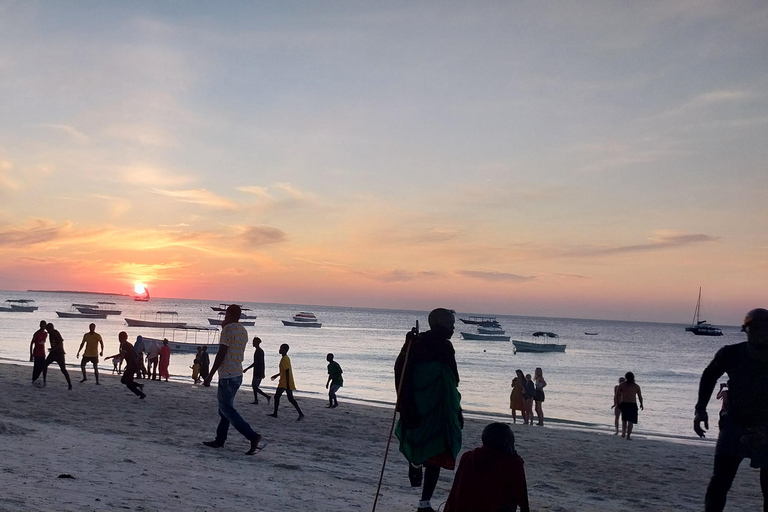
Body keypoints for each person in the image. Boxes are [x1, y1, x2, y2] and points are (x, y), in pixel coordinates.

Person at [694, 308, 768, 512]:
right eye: (755, 328)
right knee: (719, 483)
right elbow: (709, 376)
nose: (761, 333)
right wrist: (700, 409)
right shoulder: (731, 354)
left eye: (766, 328)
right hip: (735, 426)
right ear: (745, 329)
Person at [394, 308, 462, 512]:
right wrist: (405, 406)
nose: (453, 327)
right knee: (422, 447)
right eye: (450, 324)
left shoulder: (445, 347)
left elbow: (453, 380)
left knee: (438, 453)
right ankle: (415, 465)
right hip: (421, 406)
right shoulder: (416, 343)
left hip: (442, 408)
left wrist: (456, 410)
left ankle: (425, 502)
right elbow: (401, 373)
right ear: (439, 324)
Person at [202, 304, 263, 455]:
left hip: (227, 376)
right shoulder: (243, 331)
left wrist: (210, 374)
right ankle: (219, 440)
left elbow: (221, 353)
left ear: (228, 314)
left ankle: (252, 436)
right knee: (224, 410)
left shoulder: (228, 330)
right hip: (237, 374)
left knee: (227, 410)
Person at [444, 423, 530, 512]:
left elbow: (455, 490)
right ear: (505, 444)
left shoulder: (468, 456)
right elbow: (522, 497)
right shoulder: (512, 462)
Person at [268, 344, 305, 421]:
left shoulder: (285, 359)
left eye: (281, 348)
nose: (279, 350)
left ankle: (276, 413)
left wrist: (288, 384)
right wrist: (277, 375)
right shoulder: (285, 358)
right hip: (285, 381)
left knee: (280, 397)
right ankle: (300, 414)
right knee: (288, 398)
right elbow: (284, 370)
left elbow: (287, 371)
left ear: (284, 350)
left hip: (285, 382)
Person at [106, 332, 145, 399]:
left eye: (120, 338)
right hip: (131, 365)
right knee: (123, 381)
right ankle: (139, 385)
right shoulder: (126, 345)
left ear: (124, 338)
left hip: (132, 366)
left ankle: (141, 394)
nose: (119, 339)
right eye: (119, 337)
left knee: (128, 384)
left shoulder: (126, 345)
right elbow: (134, 355)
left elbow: (123, 355)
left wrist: (110, 357)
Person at [42, 323, 72, 390]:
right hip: (53, 353)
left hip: (59, 354)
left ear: (51, 328)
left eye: (48, 330)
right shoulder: (50, 334)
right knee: (44, 365)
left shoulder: (56, 333)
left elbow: (60, 344)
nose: (47, 331)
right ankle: (44, 382)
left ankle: (70, 384)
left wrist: (53, 349)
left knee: (63, 369)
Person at [243, 337, 270, 405]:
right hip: (258, 371)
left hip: (258, 371)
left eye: (253, 342)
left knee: (255, 386)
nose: (252, 343)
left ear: (257, 343)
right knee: (254, 386)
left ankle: (266, 396)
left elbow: (256, 362)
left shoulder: (259, 351)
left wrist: (247, 369)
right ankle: (256, 400)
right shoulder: (259, 351)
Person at [617, 371, 643, 440]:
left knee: (624, 419)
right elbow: (640, 396)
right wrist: (641, 404)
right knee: (630, 421)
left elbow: (617, 395)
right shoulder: (636, 386)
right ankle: (628, 436)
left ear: (626, 377)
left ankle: (623, 433)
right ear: (633, 377)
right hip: (632, 404)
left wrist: (618, 403)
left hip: (624, 403)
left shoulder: (622, 385)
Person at [30, 320, 48, 385]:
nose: (44, 326)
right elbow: (31, 343)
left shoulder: (46, 334)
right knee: (36, 367)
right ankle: (34, 379)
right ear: (40, 325)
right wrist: (31, 355)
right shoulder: (37, 333)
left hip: (42, 353)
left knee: (43, 367)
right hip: (37, 353)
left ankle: (38, 379)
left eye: (45, 325)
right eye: (42, 325)